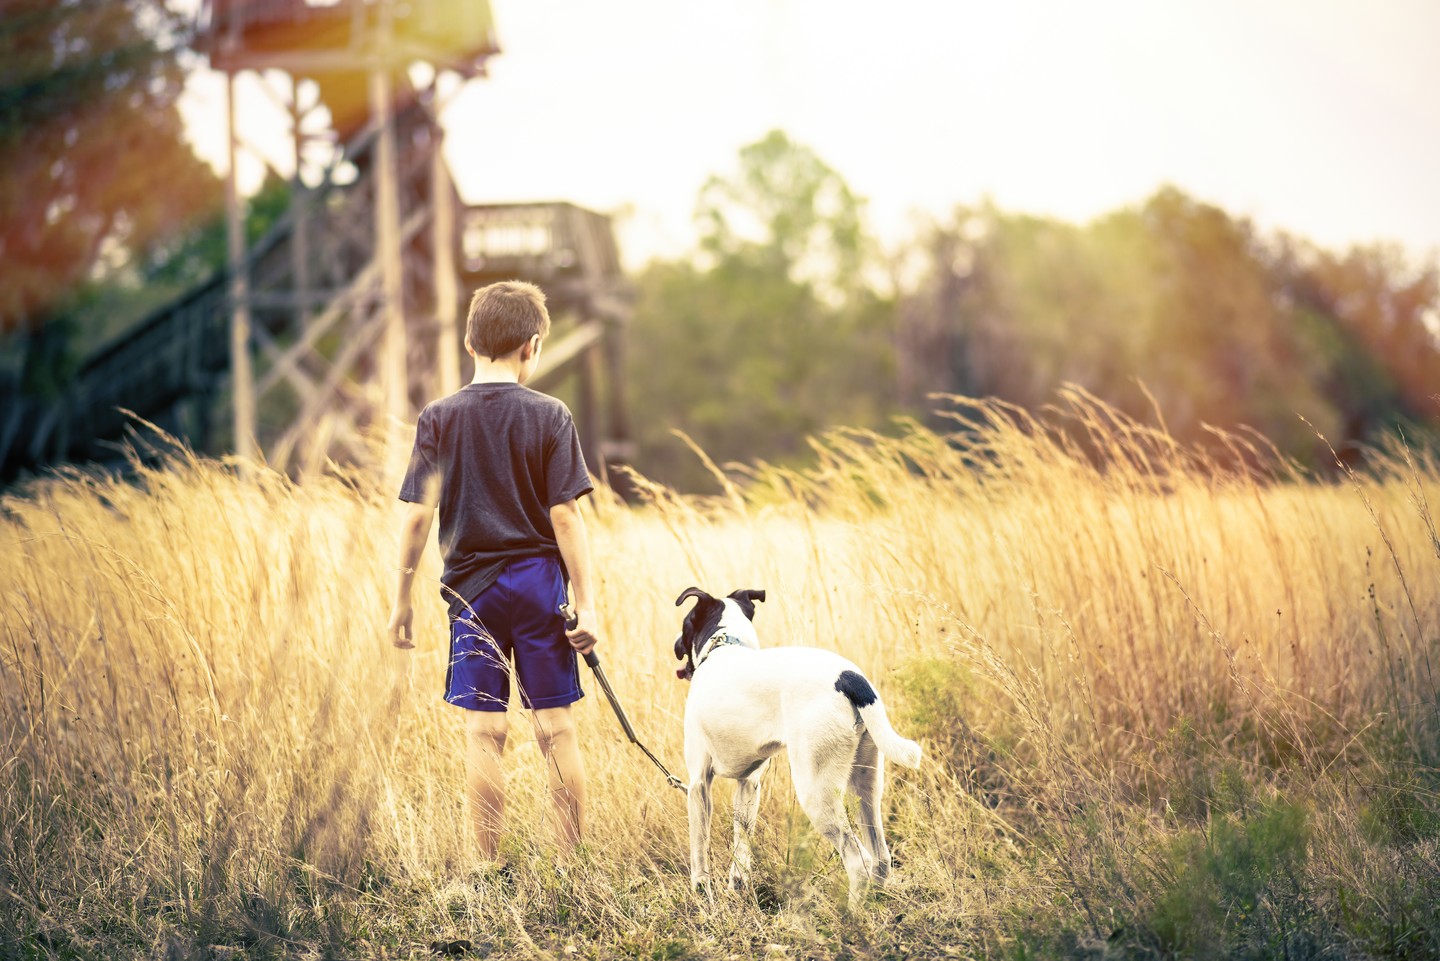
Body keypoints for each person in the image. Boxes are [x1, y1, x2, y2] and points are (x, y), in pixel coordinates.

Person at [386, 279, 600, 865]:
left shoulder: (438, 418)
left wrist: (401, 601)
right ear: (532, 346)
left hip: (473, 596)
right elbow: (566, 514)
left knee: (485, 734)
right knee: (555, 729)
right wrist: (588, 603)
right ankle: (568, 867)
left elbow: (414, 522)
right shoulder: (551, 415)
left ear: (468, 340)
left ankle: (483, 867)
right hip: (538, 588)